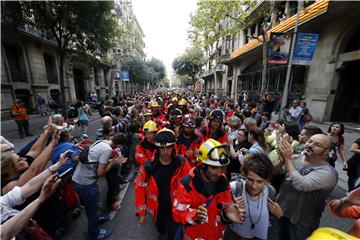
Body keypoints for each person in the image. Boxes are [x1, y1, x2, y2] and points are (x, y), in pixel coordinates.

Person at [172, 138, 246, 240]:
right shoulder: (187, 184)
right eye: (214, 168)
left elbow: (224, 208)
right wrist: (195, 215)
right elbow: (177, 214)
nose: (219, 172)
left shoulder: (223, 182)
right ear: (202, 165)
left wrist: (227, 214)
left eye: (222, 167)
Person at [274, 134, 338, 240]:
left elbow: (302, 185)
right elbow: (275, 172)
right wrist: (282, 161)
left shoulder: (328, 173)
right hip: (281, 211)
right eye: (310, 141)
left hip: (302, 221)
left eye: (317, 144)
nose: (310, 145)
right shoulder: (297, 158)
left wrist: (288, 159)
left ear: (326, 151)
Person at [134, 128, 191, 240]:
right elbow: (139, 187)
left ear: (173, 147)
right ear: (157, 148)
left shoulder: (182, 163)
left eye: (168, 148)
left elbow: (190, 185)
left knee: (173, 233)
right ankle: (161, 233)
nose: (166, 152)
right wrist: (141, 212)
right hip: (157, 208)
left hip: (174, 208)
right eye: (162, 148)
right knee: (160, 227)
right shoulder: (148, 165)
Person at [71, 133, 127, 240]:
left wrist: (111, 160)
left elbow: (97, 160)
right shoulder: (108, 150)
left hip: (78, 179)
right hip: (86, 184)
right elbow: (100, 172)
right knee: (93, 208)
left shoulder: (101, 142)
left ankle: (97, 219)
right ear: (118, 145)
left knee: (92, 206)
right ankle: (95, 233)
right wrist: (114, 162)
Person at [225, 153, 275, 240]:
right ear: (244, 175)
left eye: (259, 182)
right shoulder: (233, 188)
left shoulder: (270, 192)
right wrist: (228, 210)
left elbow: (270, 216)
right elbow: (220, 217)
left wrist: (279, 215)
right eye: (250, 179)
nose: (254, 186)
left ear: (266, 181)